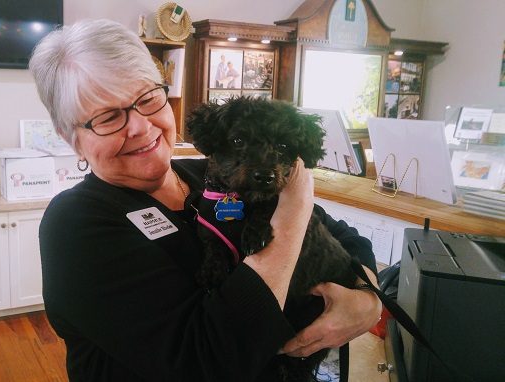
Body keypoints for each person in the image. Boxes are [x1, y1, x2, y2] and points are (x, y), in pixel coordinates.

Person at [29, 19, 382, 381]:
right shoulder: (75, 224)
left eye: (147, 99)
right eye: (107, 117)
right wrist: (292, 214)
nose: (139, 126)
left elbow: (346, 239)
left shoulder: (210, 171)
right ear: (70, 137)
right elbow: (209, 362)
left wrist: (366, 300)